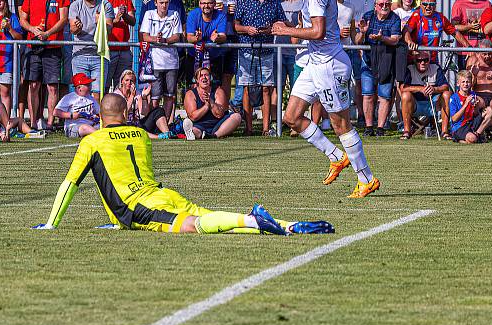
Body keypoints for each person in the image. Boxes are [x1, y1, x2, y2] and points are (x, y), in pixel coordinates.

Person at [37, 93, 333, 235]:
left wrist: (51, 224)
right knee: (211, 218)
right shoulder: (141, 134)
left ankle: (254, 218)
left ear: (100, 116)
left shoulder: (93, 141)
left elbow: (71, 184)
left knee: (196, 227)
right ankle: (288, 225)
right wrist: (115, 222)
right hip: (164, 194)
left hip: (141, 207)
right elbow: (121, 174)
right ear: (126, 112)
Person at [268, 0, 380, 198]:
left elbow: (317, 31)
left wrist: (286, 29)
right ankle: (335, 157)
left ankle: (366, 178)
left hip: (329, 63)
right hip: (315, 62)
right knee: (291, 117)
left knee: (341, 123)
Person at [19, 0, 71, 130]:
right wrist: (33, 30)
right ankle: (33, 122)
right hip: (33, 46)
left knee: (52, 87)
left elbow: (63, 19)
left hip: (53, 46)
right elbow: (22, 19)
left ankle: (49, 123)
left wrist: (48, 34)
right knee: (33, 85)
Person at [234, 0, 286, 136]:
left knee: (266, 88)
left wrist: (271, 29)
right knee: (247, 88)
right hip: (246, 49)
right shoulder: (243, 1)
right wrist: (247, 29)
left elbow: (282, 23)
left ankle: (265, 128)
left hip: (267, 50)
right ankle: (249, 128)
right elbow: (236, 25)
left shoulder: (275, 3)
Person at [354, 0, 401, 136]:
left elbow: (395, 40)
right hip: (368, 61)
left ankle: (380, 128)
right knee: (367, 94)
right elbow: (357, 41)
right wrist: (362, 32)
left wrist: (382, 38)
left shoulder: (394, 18)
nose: (385, 7)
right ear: (375, 6)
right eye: (381, 4)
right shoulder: (368, 16)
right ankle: (369, 127)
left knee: (384, 96)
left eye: (387, 4)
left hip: (386, 61)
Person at [139, 0, 183, 122]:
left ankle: (167, 123)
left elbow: (177, 36)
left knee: (169, 95)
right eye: (161, 2)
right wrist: (155, 39)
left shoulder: (174, 14)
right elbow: (144, 36)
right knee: (155, 96)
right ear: (155, 3)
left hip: (171, 62)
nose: (164, 5)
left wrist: (165, 40)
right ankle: (154, 122)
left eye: (166, 2)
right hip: (155, 62)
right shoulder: (149, 14)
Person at [69, 0, 115, 100]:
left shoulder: (105, 5)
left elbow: (109, 30)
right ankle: (82, 119)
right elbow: (73, 30)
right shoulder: (75, 5)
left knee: (97, 94)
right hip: (80, 55)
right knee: (81, 93)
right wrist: (78, 27)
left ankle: (96, 119)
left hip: (99, 55)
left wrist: (100, 23)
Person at [98, 0, 136, 91]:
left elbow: (133, 21)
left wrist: (124, 15)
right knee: (104, 85)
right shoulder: (99, 0)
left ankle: (122, 109)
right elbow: (98, 22)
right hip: (107, 50)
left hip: (124, 50)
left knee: (123, 87)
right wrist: (115, 19)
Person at [208, 0, 241, 98]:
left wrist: (236, 12)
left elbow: (243, 17)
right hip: (215, 38)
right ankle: (214, 106)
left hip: (233, 37)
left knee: (228, 75)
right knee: (215, 76)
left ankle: (225, 107)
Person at [399, 52, 449, 140]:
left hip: (433, 104)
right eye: (419, 60)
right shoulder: (409, 68)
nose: (422, 63)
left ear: (429, 60)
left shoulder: (435, 67)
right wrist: (420, 89)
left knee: (447, 94)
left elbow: (445, 86)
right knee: (405, 95)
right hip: (415, 105)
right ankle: (407, 131)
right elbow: (402, 88)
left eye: (426, 60)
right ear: (415, 61)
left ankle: (444, 132)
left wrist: (435, 89)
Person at [182, 66, 243, 140]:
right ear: (197, 80)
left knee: (237, 116)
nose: (204, 77)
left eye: (206, 75)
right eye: (201, 76)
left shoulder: (218, 91)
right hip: (200, 124)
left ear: (210, 78)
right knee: (195, 130)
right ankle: (192, 133)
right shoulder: (190, 94)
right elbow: (193, 117)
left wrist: (211, 102)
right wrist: (206, 106)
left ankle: (214, 135)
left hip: (219, 124)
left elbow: (219, 114)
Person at [114, 69, 178, 139]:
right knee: (137, 129)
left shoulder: (137, 93)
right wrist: (132, 96)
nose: (129, 82)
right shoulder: (117, 94)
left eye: (131, 81)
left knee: (158, 110)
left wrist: (144, 97)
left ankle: (167, 133)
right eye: (127, 80)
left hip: (137, 123)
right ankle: (158, 136)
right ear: (122, 81)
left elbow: (144, 113)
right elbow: (124, 113)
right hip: (123, 125)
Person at [466, 38, 492, 133]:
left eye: (490, 53)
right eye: (484, 54)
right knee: (474, 102)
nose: (487, 56)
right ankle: (479, 130)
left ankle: (481, 131)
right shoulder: (472, 60)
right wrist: (474, 75)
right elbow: (468, 86)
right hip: (478, 94)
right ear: (478, 52)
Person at [185, 0, 228, 83]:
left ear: (214, 4)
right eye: (204, 3)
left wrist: (217, 38)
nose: (206, 6)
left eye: (209, 3)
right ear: (199, 4)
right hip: (195, 56)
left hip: (214, 57)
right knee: (193, 87)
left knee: (214, 88)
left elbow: (223, 36)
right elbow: (189, 38)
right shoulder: (193, 15)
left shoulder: (221, 16)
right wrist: (197, 38)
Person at [451, 0, 492, 68]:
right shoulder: (459, 4)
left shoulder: (487, 3)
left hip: (484, 52)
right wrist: (470, 27)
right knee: (466, 80)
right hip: (465, 52)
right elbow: (453, 28)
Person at [275, 0, 304, 95]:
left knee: (296, 91)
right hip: (279, 52)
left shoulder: (304, 5)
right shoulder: (279, 5)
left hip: (296, 54)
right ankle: (276, 115)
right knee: (277, 89)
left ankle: (294, 115)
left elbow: (304, 28)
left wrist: (288, 25)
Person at [448, 70, 492, 144]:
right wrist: (465, 104)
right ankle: (460, 139)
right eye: (463, 82)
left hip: (471, 122)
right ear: (458, 83)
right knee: (472, 139)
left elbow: (475, 114)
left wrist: (476, 107)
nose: (465, 84)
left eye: (467, 82)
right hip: (459, 127)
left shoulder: (473, 94)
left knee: (490, 110)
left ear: (470, 83)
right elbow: (454, 119)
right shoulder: (454, 98)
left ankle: (478, 134)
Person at [53, 73, 101, 138]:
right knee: (84, 127)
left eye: (89, 84)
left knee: (101, 125)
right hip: (73, 127)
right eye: (87, 85)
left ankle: (98, 133)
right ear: (79, 88)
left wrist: (97, 117)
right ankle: (100, 135)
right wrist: (71, 115)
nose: (90, 87)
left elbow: (99, 112)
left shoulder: (91, 98)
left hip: (91, 125)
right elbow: (56, 112)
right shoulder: (69, 97)